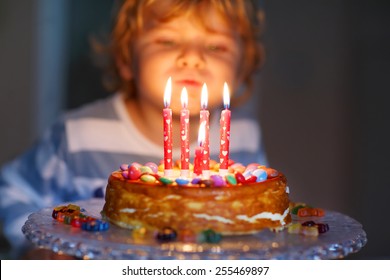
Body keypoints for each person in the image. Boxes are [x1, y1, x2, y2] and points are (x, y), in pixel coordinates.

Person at [0, 0, 267, 259]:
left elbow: (261, 215)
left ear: (242, 69)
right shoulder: (80, 135)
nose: (193, 57)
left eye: (216, 46)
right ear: (127, 60)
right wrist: (34, 247)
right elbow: (10, 190)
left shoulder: (243, 135)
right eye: (167, 41)